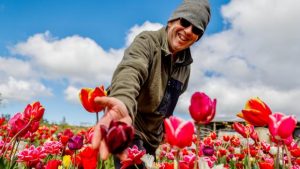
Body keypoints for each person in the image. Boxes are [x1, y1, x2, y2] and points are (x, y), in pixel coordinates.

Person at [92, 0, 211, 168]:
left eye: (197, 29)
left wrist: (166, 131)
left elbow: (170, 101)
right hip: (131, 128)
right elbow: (131, 70)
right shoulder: (147, 42)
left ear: (197, 37)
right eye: (185, 22)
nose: (188, 31)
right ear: (171, 21)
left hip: (154, 140)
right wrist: (122, 102)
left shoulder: (185, 67)